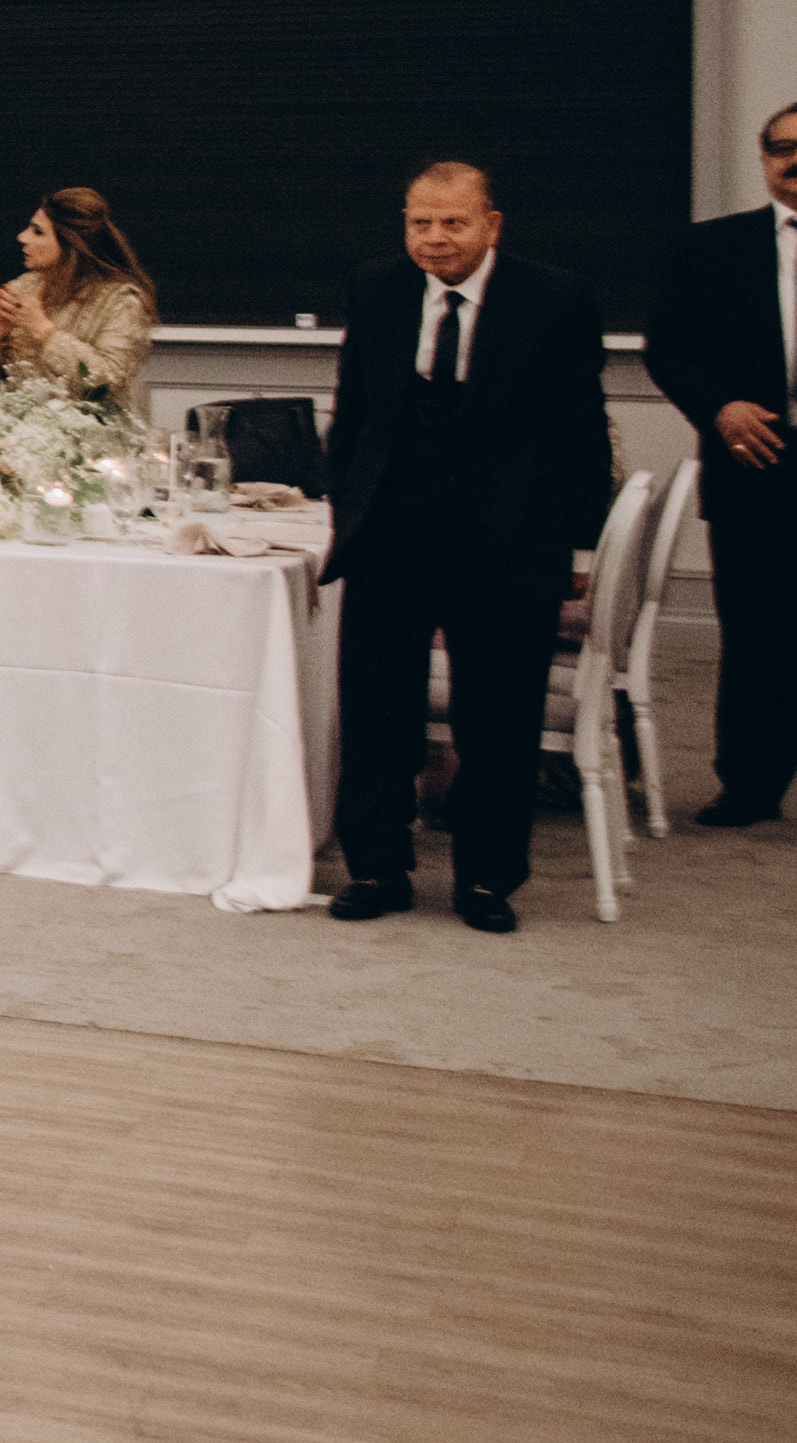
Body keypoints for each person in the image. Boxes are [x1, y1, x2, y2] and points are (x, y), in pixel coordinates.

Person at [324, 158, 613, 933]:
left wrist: (580, 548)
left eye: (452, 222)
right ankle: (377, 866)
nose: (434, 237)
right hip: (392, 530)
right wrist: (346, 509)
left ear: (491, 224)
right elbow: (353, 412)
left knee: (496, 715)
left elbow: (579, 430)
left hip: (504, 535)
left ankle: (486, 876)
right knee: (375, 706)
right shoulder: (375, 286)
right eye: (419, 222)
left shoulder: (552, 297)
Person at [643, 99, 797, 830]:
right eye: (782, 148)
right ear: (763, 158)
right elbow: (668, 349)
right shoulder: (711, 248)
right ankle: (750, 784)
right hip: (751, 462)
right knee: (757, 633)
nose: (794, 161)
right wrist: (720, 409)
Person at [0, 186, 161, 408]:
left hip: (87, 428)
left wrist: (44, 331)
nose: (22, 237)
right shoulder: (22, 287)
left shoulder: (121, 302)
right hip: (18, 425)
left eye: (38, 232)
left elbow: (108, 386)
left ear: (71, 244)